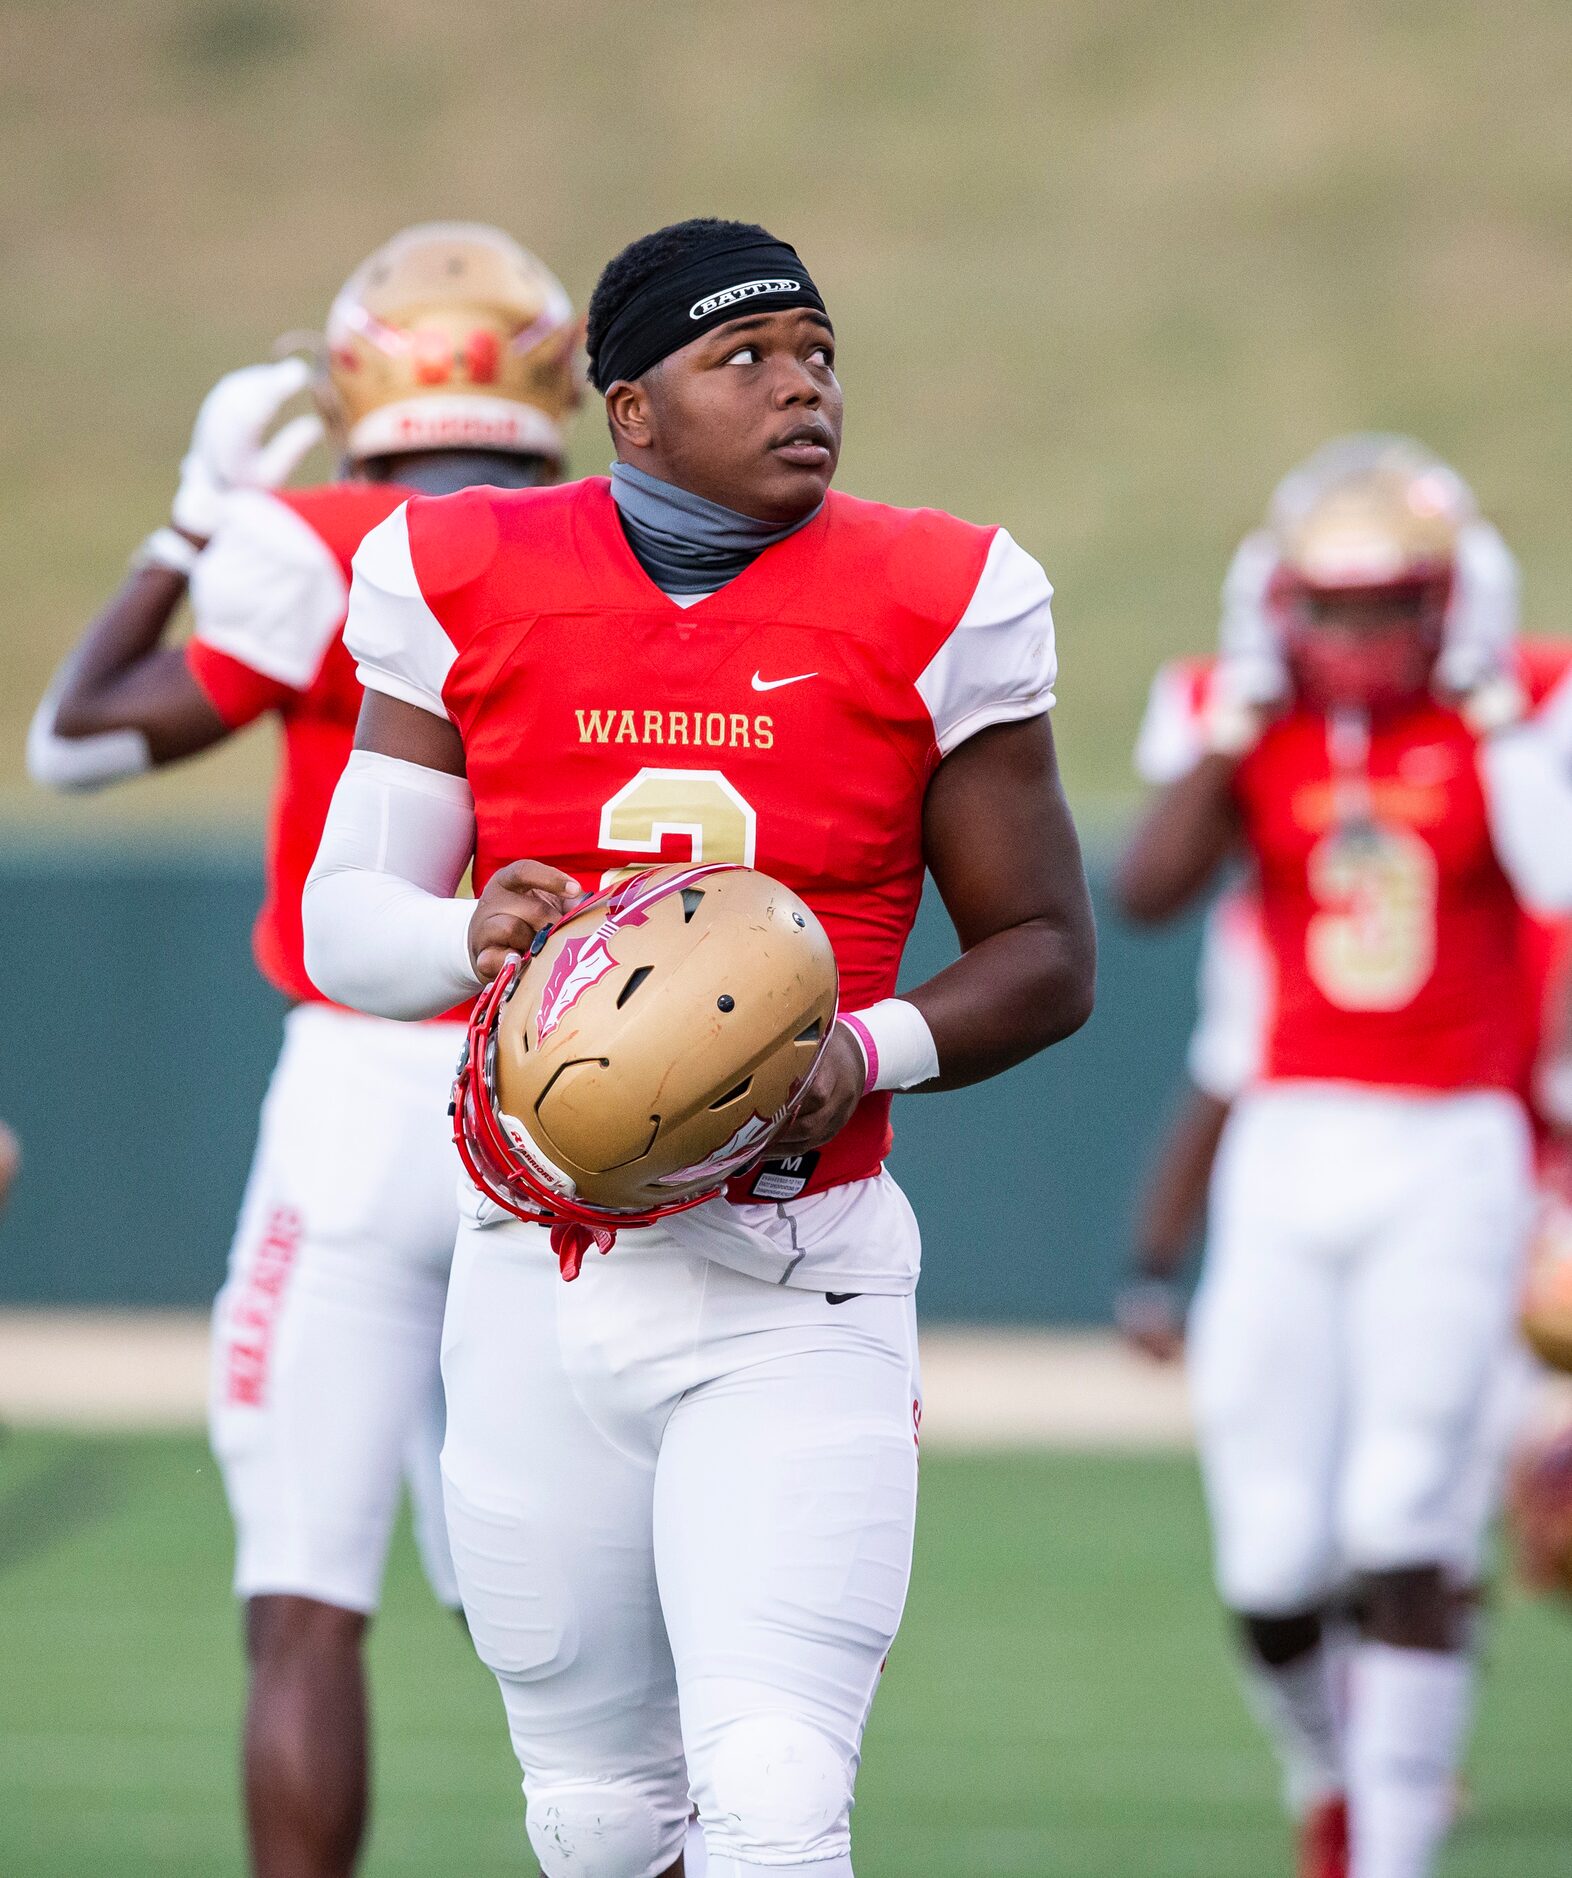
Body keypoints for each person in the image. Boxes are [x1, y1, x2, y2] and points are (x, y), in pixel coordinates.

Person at [300, 216, 1097, 1878]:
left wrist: (858, 1055)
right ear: (631, 408)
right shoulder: (458, 568)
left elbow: (1046, 954)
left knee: (778, 1790)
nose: (803, 390)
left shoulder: (937, 593)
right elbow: (341, 925)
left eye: (818, 356)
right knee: (595, 1820)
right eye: (747, 359)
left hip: (792, 1274)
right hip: (533, 1265)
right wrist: (471, 932)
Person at [27, 223, 579, 1878]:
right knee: (585, 1617)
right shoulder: (614, 545)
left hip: (356, 1085)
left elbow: (73, 742)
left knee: (306, 1601)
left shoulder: (313, 542)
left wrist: (191, 522)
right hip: (561, 1092)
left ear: (363, 371)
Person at [1115, 434, 1572, 1878]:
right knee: (1268, 1560)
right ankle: (1327, 1766)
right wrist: (1248, 708)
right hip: (1290, 1140)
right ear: (1282, 603)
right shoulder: (1238, 712)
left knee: (1400, 1517)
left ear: (1449, 603)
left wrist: (1493, 706)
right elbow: (1146, 891)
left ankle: (1389, 1846)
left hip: (1454, 1137)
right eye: (1333, 607)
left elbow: (1560, 875)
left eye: (1389, 608)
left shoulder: (1521, 707)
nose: (1359, 641)